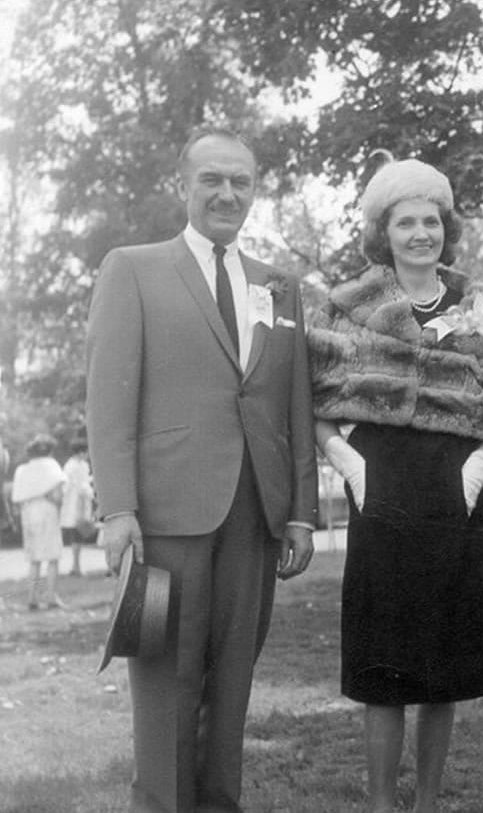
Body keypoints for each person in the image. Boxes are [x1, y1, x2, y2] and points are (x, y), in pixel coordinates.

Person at [86, 125, 318, 813]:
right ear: (182, 186)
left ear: (255, 191)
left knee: (232, 683)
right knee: (166, 681)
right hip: (166, 513)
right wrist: (117, 509)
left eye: (240, 181)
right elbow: (108, 398)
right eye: (211, 179)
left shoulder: (279, 285)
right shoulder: (133, 268)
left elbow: (294, 402)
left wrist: (301, 512)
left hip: (256, 514)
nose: (226, 193)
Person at [308, 155, 483, 813]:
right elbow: (313, 399)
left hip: (452, 489)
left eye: (431, 221)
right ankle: (381, 805)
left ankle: (428, 802)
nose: (420, 234)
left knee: (443, 664)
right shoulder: (348, 305)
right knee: (382, 664)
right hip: (380, 484)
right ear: (383, 231)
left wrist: (480, 465)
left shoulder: (477, 304)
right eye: (405, 222)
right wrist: (348, 463)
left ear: (445, 229)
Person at [10, 434, 67, 610]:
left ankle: (32, 598)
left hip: (28, 512)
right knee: (52, 557)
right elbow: (58, 496)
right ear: (49, 450)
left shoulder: (22, 469)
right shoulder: (52, 466)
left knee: (34, 559)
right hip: (47, 511)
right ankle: (51, 597)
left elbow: (17, 498)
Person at [59, 437, 95, 576]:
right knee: (77, 534)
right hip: (76, 503)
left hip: (80, 502)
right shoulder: (73, 466)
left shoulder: (82, 465)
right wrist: (92, 494)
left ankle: (76, 566)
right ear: (80, 452)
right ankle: (76, 567)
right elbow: (80, 486)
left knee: (78, 535)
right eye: (86, 451)